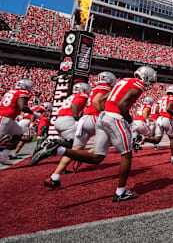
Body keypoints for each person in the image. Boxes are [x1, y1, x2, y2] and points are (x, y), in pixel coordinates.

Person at [32, 66, 156, 202]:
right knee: (126, 154)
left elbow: (102, 99)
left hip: (104, 116)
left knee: (96, 157)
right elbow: (122, 105)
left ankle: (58, 149)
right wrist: (130, 122)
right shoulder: (139, 84)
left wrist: (105, 113)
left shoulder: (123, 81)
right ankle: (120, 192)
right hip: (115, 117)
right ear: (146, 76)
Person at [43, 71, 116, 189]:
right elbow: (97, 101)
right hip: (95, 117)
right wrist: (103, 113)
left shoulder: (94, 88)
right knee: (111, 140)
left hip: (84, 119)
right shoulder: (105, 87)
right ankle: (82, 157)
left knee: (74, 149)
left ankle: (54, 177)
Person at [142, 85, 173, 163]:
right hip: (166, 118)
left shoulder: (162, 98)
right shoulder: (172, 97)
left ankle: (143, 138)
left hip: (159, 119)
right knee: (172, 138)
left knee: (157, 140)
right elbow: (168, 109)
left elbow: (157, 110)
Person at [53, 83, 91, 147]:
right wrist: (76, 120)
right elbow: (74, 106)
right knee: (74, 144)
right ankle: (50, 144)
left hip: (58, 120)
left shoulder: (70, 97)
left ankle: (52, 144)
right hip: (69, 120)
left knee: (65, 146)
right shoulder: (82, 95)